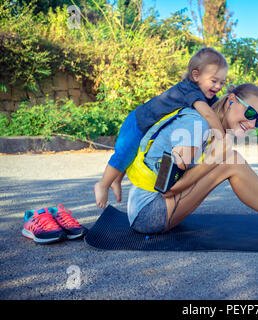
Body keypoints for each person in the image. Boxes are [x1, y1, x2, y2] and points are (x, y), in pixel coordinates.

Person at [127, 83, 258, 243]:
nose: (253, 124)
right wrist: (213, 161)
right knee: (231, 160)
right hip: (147, 214)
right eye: (251, 113)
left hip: (156, 210)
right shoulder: (195, 123)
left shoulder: (209, 128)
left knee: (230, 158)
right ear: (231, 101)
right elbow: (165, 188)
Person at [94, 47, 228, 209]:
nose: (218, 86)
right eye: (214, 81)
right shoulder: (190, 90)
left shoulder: (207, 94)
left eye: (222, 82)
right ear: (196, 75)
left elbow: (217, 111)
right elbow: (208, 115)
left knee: (130, 155)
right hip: (139, 121)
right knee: (124, 155)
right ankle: (103, 184)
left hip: (150, 126)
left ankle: (116, 180)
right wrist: (222, 137)